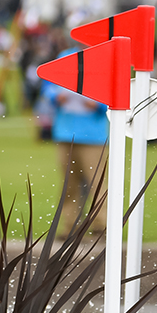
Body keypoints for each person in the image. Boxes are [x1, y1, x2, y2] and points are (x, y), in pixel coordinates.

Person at [43, 49, 109, 235]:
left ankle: (101, 226)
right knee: (69, 184)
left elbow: (114, 93)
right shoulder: (65, 56)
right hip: (66, 133)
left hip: (94, 137)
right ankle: (69, 227)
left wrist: (99, 104)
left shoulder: (102, 59)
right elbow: (48, 86)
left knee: (97, 183)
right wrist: (55, 97)